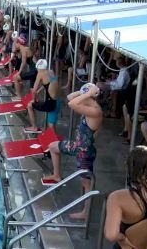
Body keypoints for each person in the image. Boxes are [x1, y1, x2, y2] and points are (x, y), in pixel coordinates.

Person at [43, 83, 102, 219]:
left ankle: (85, 213)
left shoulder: (95, 110)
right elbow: (70, 98)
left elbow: (72, 104)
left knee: (86, 183)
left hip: (84, 151)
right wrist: (84, 92)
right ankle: (57, 175)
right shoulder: (88, 105)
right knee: (53, 146)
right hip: (77, 146)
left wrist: (86, 94)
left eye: (85, 96)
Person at [25, 59, 59, 132]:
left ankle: (34, 127)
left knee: (30, 105)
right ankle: (53, 137)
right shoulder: (51, 72)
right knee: (51, 124)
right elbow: (47, 84)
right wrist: (39, 91)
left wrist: (34, 100)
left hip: (49, 105)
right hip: (57, 102)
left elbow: (33, 91)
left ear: (38, 68)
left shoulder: (40, 74)